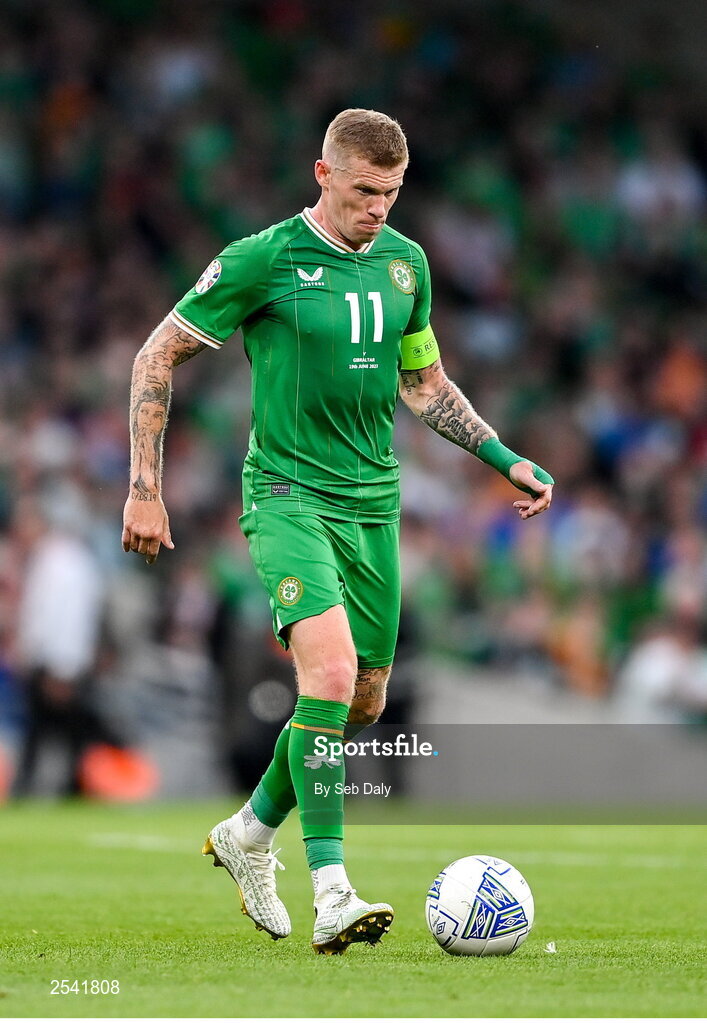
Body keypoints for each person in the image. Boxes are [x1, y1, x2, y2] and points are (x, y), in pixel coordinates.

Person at [122, 108, 553, 954]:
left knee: (359, 701)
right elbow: (154, 355)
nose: (379, 209)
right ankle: (332, 891)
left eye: (391, 194)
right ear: (322, 175)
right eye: (363, 191)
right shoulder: (265, 259)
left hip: (373, 503)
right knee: (327, 669)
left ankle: (249, 831)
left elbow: (423, 385)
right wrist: (145, 487)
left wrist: (501, 455)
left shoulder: (406, 264)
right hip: (285, 495)